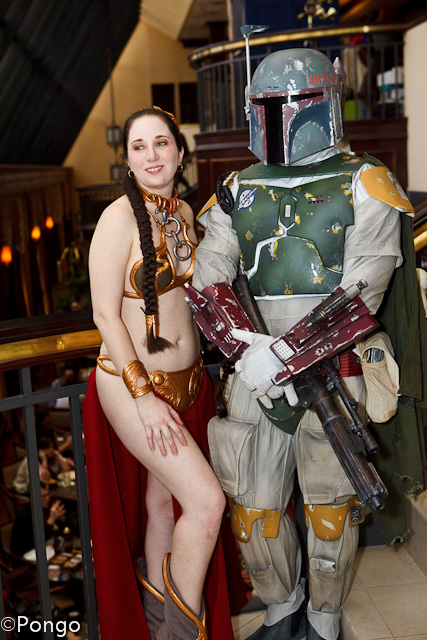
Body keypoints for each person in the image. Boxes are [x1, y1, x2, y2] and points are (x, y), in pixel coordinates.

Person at [192, 48, 426, 640]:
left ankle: (323, 621)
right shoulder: (237, 187)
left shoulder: (366, 180)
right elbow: (207, 277)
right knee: (253, 508)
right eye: (267, 106)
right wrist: (248, 352)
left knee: (330, 510)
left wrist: (280, 355)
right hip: (255, 375)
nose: (278, 119)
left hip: (333, 371)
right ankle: (281, 609)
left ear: (323, 103)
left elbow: (363, 289)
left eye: (289, 104)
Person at [83, 106, 244, 640]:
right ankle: (180, 634)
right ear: (128, 161)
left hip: (190, 383)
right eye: (139, 147)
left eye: (161, 143)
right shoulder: (117, 219)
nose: (151, 155)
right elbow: (105, 314)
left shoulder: (184, 212)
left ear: (179, 151)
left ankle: (157, 626)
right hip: (133, 386)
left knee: (162, 505)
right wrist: (144, 397)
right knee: (207, 503)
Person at [11, 481, 66, 556]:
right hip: (26, 553)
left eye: (48, 494)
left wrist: (62, 518)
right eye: (43, 496)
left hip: (45, 547)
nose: (47, 498)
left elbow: (66, 530)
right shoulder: (24, 516)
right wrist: (51, 520)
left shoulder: (47, 507)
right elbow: (38, 542)